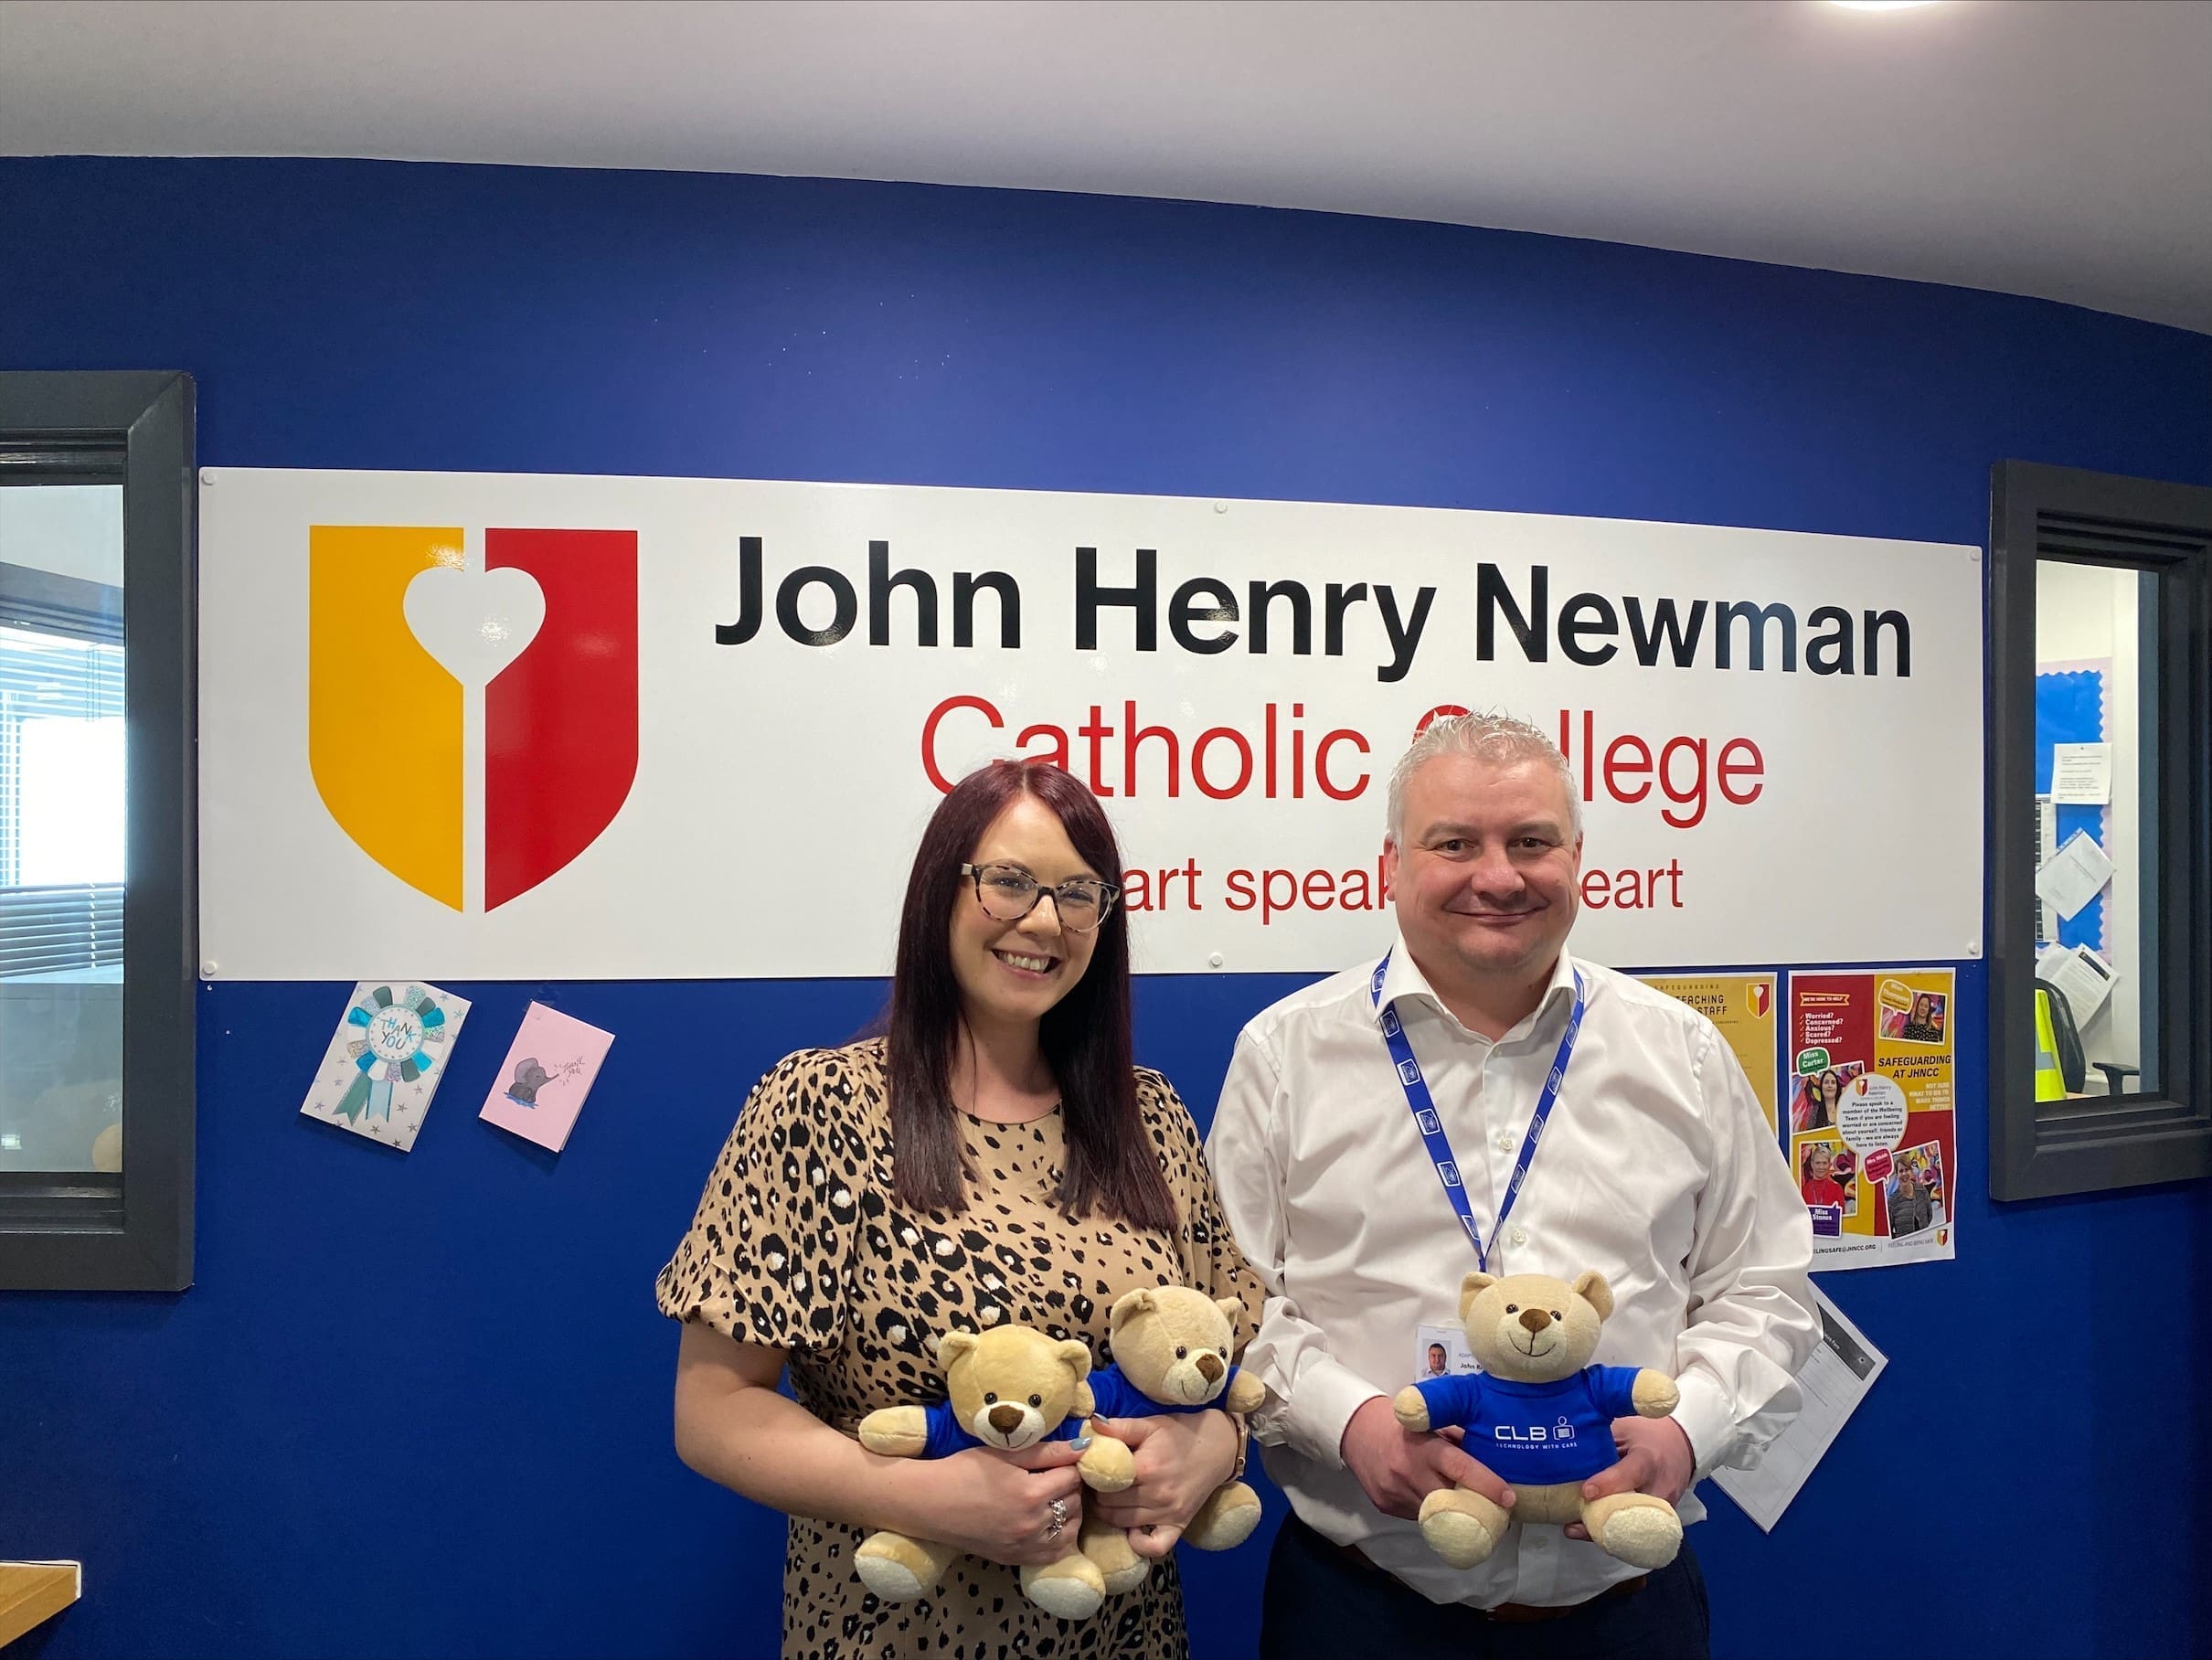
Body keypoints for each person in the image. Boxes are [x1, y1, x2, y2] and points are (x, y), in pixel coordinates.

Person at [1207, 712, 1818, 1659]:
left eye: (1529, 841)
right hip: (1362, 1612)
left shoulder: (1680, 1053)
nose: (1497, 874)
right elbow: (1232, 1300)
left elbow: (1767, 1292)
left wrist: (1688, 1433)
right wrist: (1351, 1422)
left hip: (1624, 1616)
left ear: (1577, 857)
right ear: (1389, 865)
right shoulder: (1285, 1054)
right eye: (1453, 843)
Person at [657, 760, 1261, 1660]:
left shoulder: (1148, 1116)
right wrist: (923, 1500)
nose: (1042, 920)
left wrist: (1215, 1443)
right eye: (1008, 882)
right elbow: (712, 1410)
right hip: (890, 1631)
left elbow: (1228, 1351)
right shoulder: (821, 1106)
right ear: (941, 891)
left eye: (1076, 894)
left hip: (1128, 1633)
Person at [1887, 1170, 1932, 1238]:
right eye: (1901, 1171)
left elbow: (1929, 1215)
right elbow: (1888, 1228)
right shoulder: (1892, 1194)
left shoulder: (1921, 1190)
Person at [1800, 1144, 1845, 1208]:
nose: (1821, 1167)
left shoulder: (1837, 1188)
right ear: (1812, 1164)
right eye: (1818, 1163)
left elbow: (1842, 1215)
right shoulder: (1804, 1189)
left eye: (1824, 1163)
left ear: (1829, 1165)